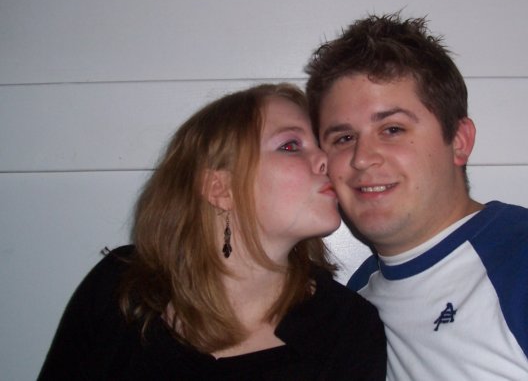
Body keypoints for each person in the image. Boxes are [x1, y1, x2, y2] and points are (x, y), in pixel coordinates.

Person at [304, 13, 528, 380]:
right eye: (344, 138)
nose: (362, 157)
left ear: (459, 141)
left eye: (393, 129)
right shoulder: (357, 302)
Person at [38, 83, 387, 380]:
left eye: (321, 145)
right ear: (220, 188)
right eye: (290, 145)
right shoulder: (124, 287)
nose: (327, 159)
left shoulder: (346, 327)